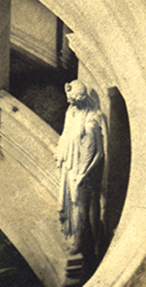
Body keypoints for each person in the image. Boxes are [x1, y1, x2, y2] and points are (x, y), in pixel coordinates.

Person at [57, 80, 106, 267]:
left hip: (82, 170)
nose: (69, 103)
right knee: (71, 202)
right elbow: (65, 134)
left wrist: (83, 175)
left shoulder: (92, 123)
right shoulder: (71, 112)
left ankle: (82, 244)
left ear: (81, 99)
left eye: (72, 100)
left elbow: (100, 153)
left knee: (80, 206)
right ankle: (71, 235)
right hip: (69, 163)